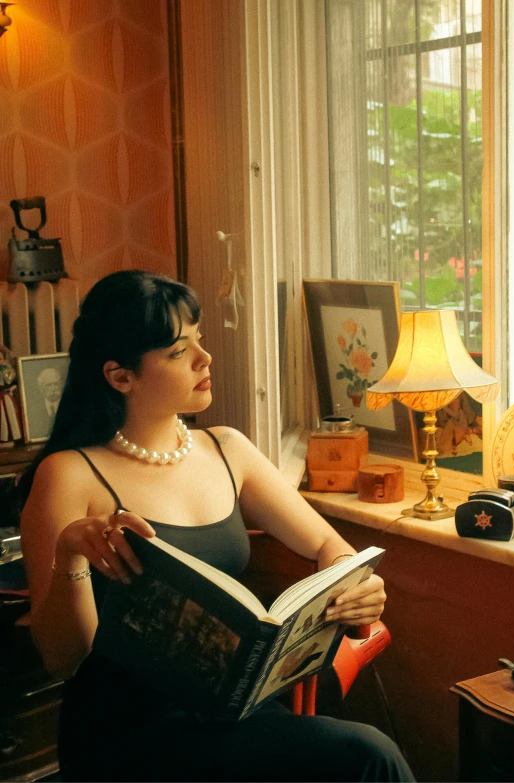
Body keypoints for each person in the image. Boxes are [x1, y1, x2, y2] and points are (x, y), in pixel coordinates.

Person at [19, 270, 415, 783]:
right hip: (132, 736)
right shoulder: (68, 474)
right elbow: (63, 658)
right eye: (179, 351)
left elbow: (326, 544)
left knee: (360, 754)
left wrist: (355, 585)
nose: (205, 359)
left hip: (233, 715)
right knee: (366, 753)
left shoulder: (228, 449)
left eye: (199, 340)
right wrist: (71, 554)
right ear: (121, 376)